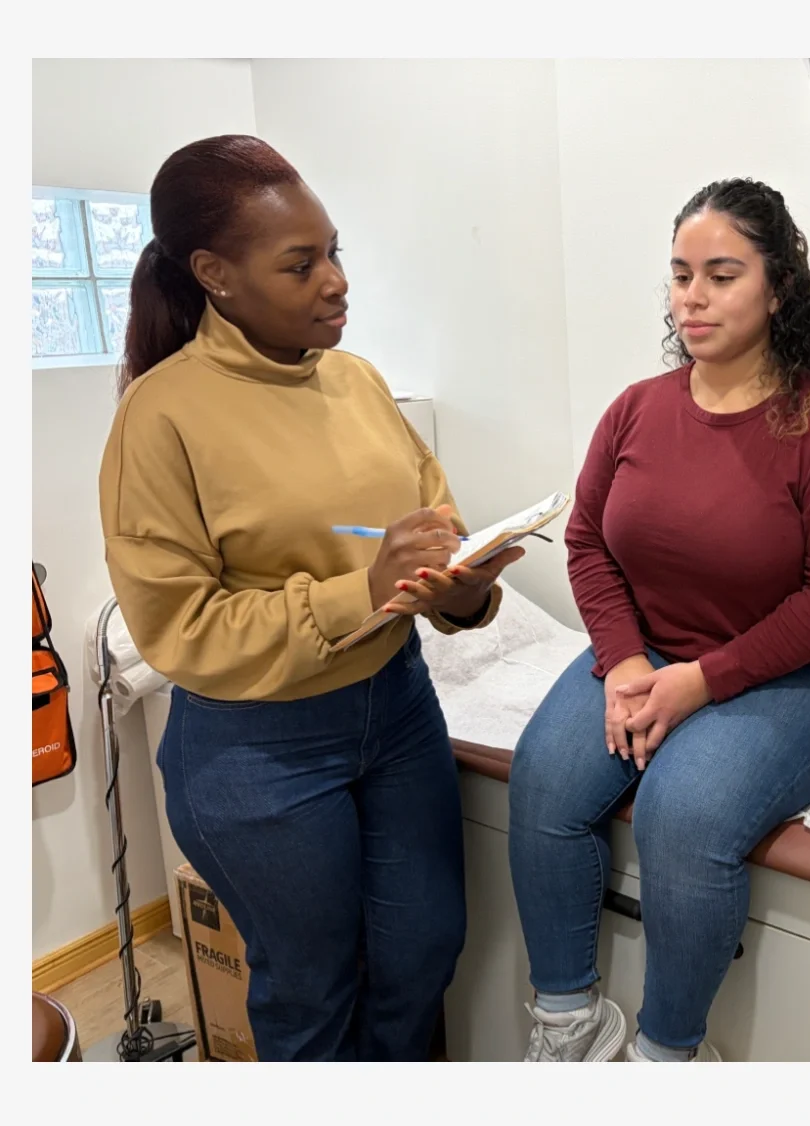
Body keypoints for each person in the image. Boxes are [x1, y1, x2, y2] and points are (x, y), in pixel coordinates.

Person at [98, 135, 524, 1061]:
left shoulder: (358, 381)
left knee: (422, 955)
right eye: (302, 263)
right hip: (259, 746)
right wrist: (359, 592)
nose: (335, 281)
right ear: (214, 273)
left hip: (398, 710)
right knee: (313, 991)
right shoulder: (161, 416)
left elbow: (429, 524)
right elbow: (179, 630)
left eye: (335, 253)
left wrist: (459, 590)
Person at [506, 178, 810, 1062]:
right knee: (543, 782)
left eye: (722, 275)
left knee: (680, 815)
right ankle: (568, 1022)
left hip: (800, 679)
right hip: (648, 658)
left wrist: (700, 682)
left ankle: (667, 1053)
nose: (694, 296)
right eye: (681, 275)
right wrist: (624, 662)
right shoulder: (637, 410)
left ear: (780, 287)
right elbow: (587, 544)